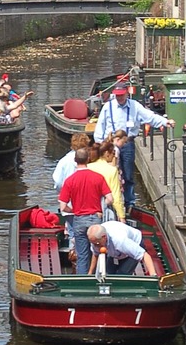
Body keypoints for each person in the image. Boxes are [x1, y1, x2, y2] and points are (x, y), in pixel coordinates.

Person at [93, 82, 174, 211]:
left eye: (121, 95)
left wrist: (165, 122)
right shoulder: (108, 107)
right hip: (110, 145)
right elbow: (100, 126)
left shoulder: (134, 106)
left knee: (128, 174)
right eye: (117, 95)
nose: (119, 98)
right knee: (111, 173)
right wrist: (99, 144)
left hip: (127, 144)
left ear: (126, 93)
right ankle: (110, 200)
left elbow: (149, 116)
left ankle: (129, 202)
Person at [58, 148, 113, 274]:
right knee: (100, 251)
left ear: (75, 160)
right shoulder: (98, 177)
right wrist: (102, 208)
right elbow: (110, 199)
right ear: (88, 159)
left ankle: (83, 279)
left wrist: (74, 210)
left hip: (79, 219)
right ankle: (101, 275)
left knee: (82, 255)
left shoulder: (70, 180)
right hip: (95, 218)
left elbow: (63, 207)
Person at [86, 221, 156, 277]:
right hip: (115, 250)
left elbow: (144, 255)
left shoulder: (120, 240)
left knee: (122, 274)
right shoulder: (95, 240)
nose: (95, 246)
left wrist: (153, 275)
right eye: (93, 243)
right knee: (109, 274)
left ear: (104, 237)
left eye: (97, 244)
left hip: (134, 244)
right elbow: (95, 254)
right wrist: (90, 273)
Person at [88, 139, 125, 221]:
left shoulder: (88, 167)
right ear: (107, 153)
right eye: (113, 153)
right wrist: (121, 216)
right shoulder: (112, 170)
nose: (114, 156)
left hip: (87, 208)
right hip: (104, 208)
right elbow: (116, 195)